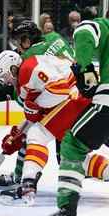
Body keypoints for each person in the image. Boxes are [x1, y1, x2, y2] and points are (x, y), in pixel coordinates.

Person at [0, 50, 109, 206]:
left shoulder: (27, 71)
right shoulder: (31, 67)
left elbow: (59, 91)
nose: (7, 82)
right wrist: (17, 133)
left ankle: (28, 185)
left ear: (13, 68)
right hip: (81, 98)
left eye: (5, 77)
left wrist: (33, 107)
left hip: (74, 98)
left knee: (37, 135)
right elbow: (41, 111)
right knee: (73, 156)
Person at [0, 20, 75, 189]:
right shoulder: (55, 37)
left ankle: (21, 177)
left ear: (27, 40)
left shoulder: (29, 56)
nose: (17, 47)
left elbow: (28, 97)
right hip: (79, 92)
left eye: (19, 42)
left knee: (32, 135)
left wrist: (9, 92)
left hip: (59, 103)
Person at [52, 17, 109, 216]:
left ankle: (67, 207)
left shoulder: (105, 25)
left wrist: (86, 71)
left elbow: (84, 30)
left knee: (73, 145)